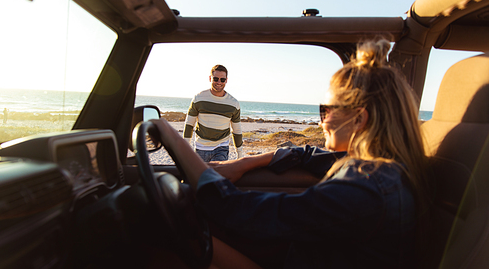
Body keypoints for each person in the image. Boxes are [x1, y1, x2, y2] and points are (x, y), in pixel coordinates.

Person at [150, 38, 430, 268]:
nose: (321, 121)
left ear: (358, 119)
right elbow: (308, 154)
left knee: (173, 240)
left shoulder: (365, 187)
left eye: (326, 110)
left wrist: (172, 138)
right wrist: (247, 161)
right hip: (305, 256)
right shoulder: (377, 167)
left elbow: (241, 211)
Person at [184, 64, 244, 161]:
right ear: (210, 78)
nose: (219, 82)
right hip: (201, 148)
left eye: (222, 79)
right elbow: (189, 124)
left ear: (226, 80)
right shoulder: (198, 98)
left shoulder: (233, 103)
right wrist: (185, 149)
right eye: (216, 79)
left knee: (217, 176)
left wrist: (240, 154)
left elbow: (236, 130)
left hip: (221, 148)